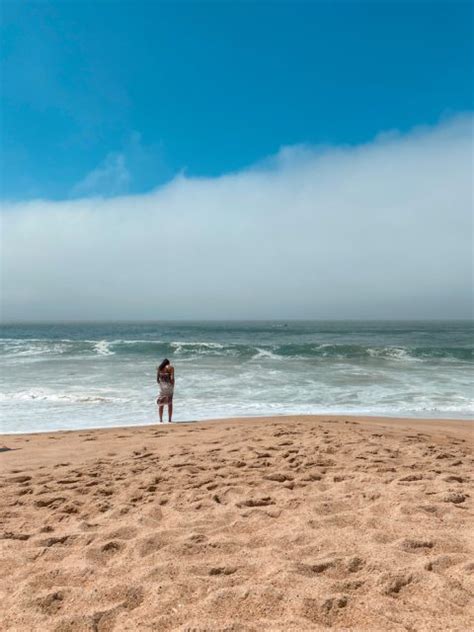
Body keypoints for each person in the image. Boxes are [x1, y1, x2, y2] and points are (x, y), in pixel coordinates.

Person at [156, 358, 174, 423]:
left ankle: (161, 420)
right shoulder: (170, 368)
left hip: (162, 386)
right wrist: (172, 385)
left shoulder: (159, 368)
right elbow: (172, 378)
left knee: (161, 403)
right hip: (169, 386)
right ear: (168, 363)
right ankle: (169, 420)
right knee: (170, 403)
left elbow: (157, 380)